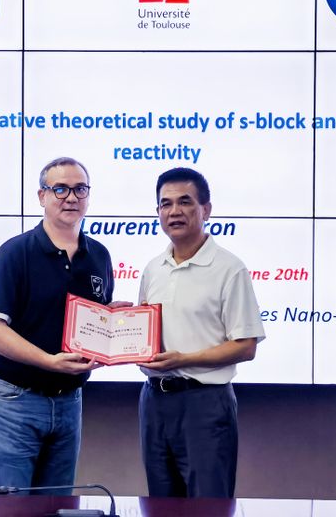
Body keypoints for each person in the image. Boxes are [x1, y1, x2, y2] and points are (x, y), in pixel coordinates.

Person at [0, 157, 118, 494]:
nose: (71, 198)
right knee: (8, 507)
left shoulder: (98, 255)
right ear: (42, 196)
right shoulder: (16, 252)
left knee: (58, 506)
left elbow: (90, 323)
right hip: (14, 399)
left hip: (69, 401)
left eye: (80, 189)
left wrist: (114, 321)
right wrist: (49, 361)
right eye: (60, 189)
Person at [137, 167, 265, 498]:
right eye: (165, 204)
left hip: (204, 404)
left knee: (207, 505)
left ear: (206, 210)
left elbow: (246, 345)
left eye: (185, 202)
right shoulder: (153, 269)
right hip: (153, 402)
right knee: (160, 505)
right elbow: (142, 336)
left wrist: (184, 359)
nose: (174, 211)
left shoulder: (229, 268)